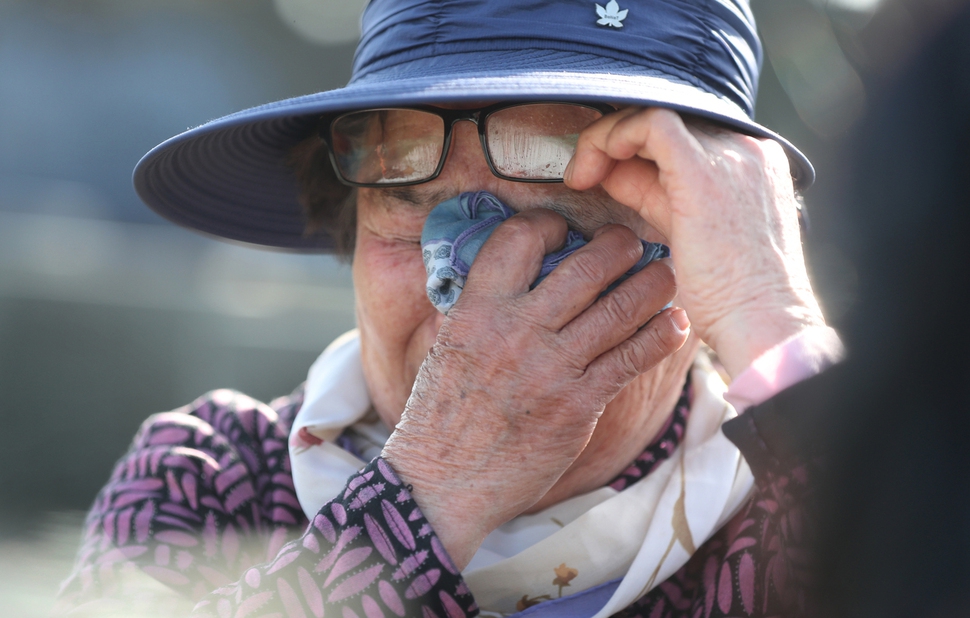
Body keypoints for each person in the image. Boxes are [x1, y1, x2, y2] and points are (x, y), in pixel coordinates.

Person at [55, 1, 843, 616]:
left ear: (711, 252)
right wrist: (435, 487)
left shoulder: (791, 515)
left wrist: (768, 313)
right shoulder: (212, 479)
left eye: (558, 217)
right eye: (410, 200)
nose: (469, 288)